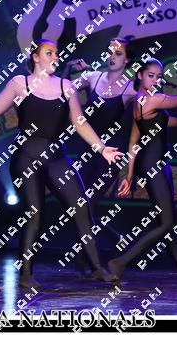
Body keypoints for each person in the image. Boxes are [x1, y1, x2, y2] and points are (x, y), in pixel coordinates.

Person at [0, 38, 123, 288]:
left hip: (56, 157)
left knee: (81, 207)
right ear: (35, 57)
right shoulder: (20, 83)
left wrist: (101, 147)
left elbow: (79, 122)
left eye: (56, 53)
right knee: (35, 213)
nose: (55, 57)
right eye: (49, 53)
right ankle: (26, 274)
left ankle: (97, 268)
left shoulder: (66, 86)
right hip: (26, 157)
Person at [106, 58, 177, 287]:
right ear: (139, 75)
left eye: (159, 76)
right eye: (151, 76)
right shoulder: (153, 99)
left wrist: (129, 175)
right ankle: (120, 261)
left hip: (153, 164)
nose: (156, 80)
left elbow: (136, 139)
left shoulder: (139, 101)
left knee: (166, 221)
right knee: (166, 223)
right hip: (153, 165)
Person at [61, 36, 138, 275]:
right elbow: (61, 90)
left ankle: (85, 261)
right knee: (80, 204)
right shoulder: (92, 77)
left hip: (111, 154)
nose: (112, 56)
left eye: (118, 53)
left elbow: (152, 110)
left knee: (89, 203)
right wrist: (67, 69)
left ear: (127, 60)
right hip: (88, 150)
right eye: (110, 51)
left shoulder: (130, 88)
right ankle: (112, 238)